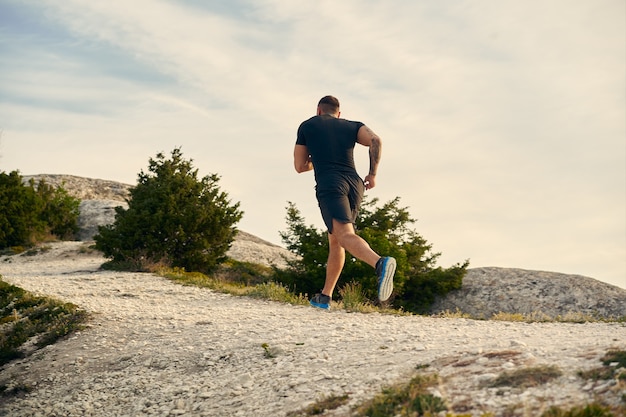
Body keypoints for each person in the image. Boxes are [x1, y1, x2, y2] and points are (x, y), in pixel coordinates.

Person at [293, 95, 396, 310]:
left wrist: (317, 159)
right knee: (337, 239)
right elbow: (376, 140)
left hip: (331, 183)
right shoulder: (352, 126)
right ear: (338, 113)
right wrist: (372, 174)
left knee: (345, 235)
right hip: (355, 184)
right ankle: (325, 296)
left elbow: (300, 165)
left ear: (319, 110)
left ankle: (380, 263)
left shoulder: (308, 125)